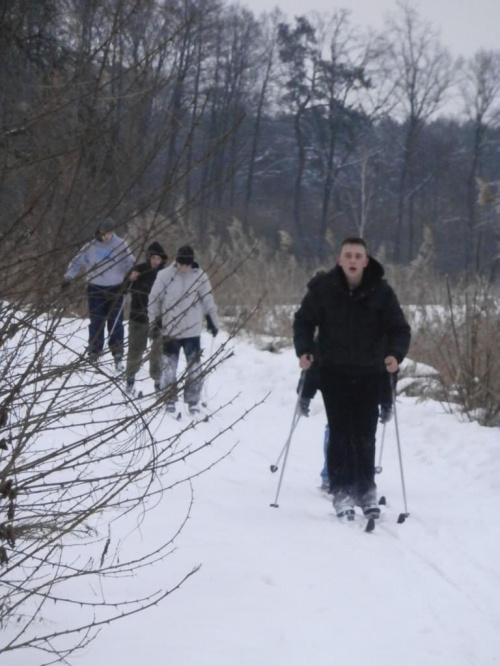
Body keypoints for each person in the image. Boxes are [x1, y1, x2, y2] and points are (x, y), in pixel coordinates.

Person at [293, 237, 411, 520]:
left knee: (365, 432)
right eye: (348, 255)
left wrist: (395, 354)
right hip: (333, 371)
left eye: (358, 256)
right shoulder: (324, 289)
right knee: (340, 431)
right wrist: (305, 349)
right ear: (340, 259)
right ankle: (342, 488)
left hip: (370, 372)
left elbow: (399, 329)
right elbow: (303, 321)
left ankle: (366, 486)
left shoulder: (381, 292)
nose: (353, 260)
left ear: (366, 261)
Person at [297, 365, 396, 492]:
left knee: (360, 429)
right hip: (337, 376)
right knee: (338, 427)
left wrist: (387, 401)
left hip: (367, 379)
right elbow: (313, 358)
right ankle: (331, 474)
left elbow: (389, 364)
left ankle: (357, 478)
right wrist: (305, 391)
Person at [148, 245, 219, 414]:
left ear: (191, 263)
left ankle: (193, 401)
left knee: (195, 369)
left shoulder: (200, 276)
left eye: (187, 265)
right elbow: (154, 300)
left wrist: (212, 320)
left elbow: (208, 299)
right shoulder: (164, 275)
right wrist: (154, 323)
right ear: (176, 261)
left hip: (192, 331)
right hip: (170, 331)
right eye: (181, 264)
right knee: (169, 368)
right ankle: (169, 398)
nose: (183, 268)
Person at [62, 218, 135, 368]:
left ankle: (118, 353)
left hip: (116, 288)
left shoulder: (120, 244)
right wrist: (68, 278)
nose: (107, 236)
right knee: (97, 320)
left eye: (110, 233)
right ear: (99, 232)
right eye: (104, 233)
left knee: (115, 322)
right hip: (95, 288)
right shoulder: (90, 246)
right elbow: (77, 261)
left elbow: (130, 263)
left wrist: (130, 279)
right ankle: (94, 352)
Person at [124, 241, 168, 394]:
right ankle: (130, 379)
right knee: (135, 349)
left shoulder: (167, 275)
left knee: (157, 350)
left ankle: (157, 381)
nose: (155, 261)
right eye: (153, 257)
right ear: (148, 258)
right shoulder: (139, 270)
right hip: (138, 317)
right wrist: (131, 279)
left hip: (158, 320)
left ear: (162, 259)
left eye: (158, 258)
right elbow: (124, 289)